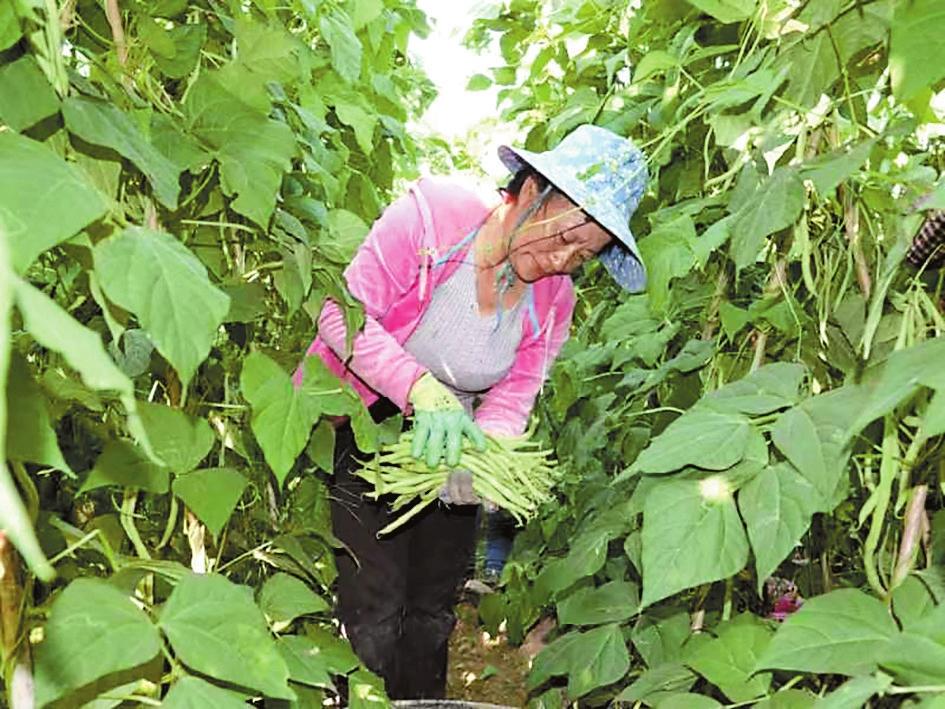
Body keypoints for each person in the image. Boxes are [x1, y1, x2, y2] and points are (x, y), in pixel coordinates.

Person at [296, 124, 648, 699]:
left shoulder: (556, 298)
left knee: (434, 604)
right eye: (564, 237)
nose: (562, 260)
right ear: (532, 189)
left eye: (582, 256)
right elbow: (341, 314)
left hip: (457, 434)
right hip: (373, 419)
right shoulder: (434, 219)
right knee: (375, 604)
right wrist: (418, 388)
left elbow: (516, 390)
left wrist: (487, 453)